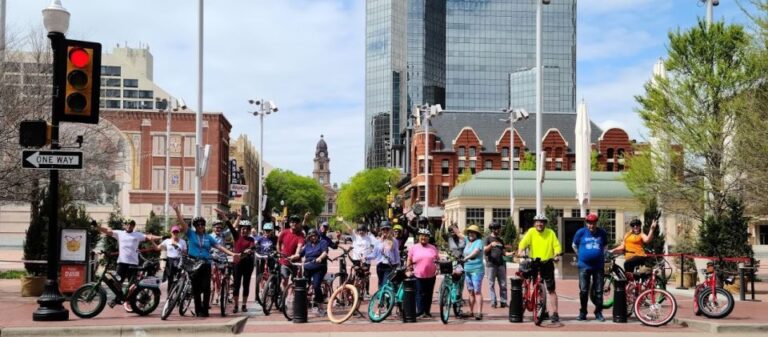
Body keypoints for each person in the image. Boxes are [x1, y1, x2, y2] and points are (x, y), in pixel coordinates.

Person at [172, 204, 239, 317]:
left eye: (202, 224)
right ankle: (199, 310)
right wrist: (177, 211)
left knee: (206, 287)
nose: (200, 226)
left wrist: (232, 253)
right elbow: (182, 222)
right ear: (195, 226)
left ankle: (205, 310)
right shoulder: (191, 234)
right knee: (196, 288)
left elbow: (219, 246)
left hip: (206, 263)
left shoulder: (208, 237)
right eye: (198, 224)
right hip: (193, 263)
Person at [94, 219, 162, 312]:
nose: (129, 226)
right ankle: (119, 298)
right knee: (117, 282)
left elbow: (149, 237)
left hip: (133, 264)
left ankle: (126, 300)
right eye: (127, 224)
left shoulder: (137, 235)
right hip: (121, 263)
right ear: (124, 225)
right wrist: (97, 226)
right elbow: (107, 231)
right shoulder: (119, 233)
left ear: (133, 226)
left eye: (131, 224)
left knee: (132, 285)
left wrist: (161, 237)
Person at [517, 213, 562, 323]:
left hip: (547, 263)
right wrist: (520, 252)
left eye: (542, 222)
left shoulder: (550, 233)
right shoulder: (531, 232)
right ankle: (542, 310)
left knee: (551, 290)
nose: (539, 224)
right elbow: (523, 244)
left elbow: (557, 246)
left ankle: (555, 313)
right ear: (534, 223)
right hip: (535, 263)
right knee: (536, 287)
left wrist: (556, 255)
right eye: (537, 222)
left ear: (545, 223)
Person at [572, 213, 608, 322]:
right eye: (589, 223)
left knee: (598, 291)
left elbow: (605, 246)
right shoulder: (581, 232)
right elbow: (574, 245)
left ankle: (598, 312)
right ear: (586, 223)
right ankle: (583, 312)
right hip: (584, 266)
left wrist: (602, 255)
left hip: (598, 266)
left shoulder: (602, 233)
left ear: (596, 223)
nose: (591, 225)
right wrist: (581, 255)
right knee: (583, 290)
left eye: (593, 223)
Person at [406, 227, 439, 318]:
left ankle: (427, 311)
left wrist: (438, 268)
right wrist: (408, 269)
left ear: (428, 238)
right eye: (421, 236)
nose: (423, 238)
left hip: (431, 275)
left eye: (425, 236)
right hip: (418, 275)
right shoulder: (413, 248)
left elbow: (437, 259)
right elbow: (409, 259)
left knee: (429, 294)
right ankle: (420, 311)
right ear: (418, 237)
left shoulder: (433, 248)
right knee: (419, 293)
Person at [297, 228, 329, 312]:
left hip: (319, 267)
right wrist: (291, 257)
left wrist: (320, 258)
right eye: (311, 236)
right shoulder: (307, 245)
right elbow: (300, 254)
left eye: (314, 236)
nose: (313, 238)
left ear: (317, 236)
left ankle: (320, 306)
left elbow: (325, 252)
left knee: (316, 286)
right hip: (308, 267)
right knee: (303, 285)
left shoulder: (323, 243)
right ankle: (304, 303)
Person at [458, 224, 485, 320]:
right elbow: (459, 234)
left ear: (477, 234)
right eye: (470, 232)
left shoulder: (479, 242)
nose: (471, 234)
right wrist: (452, 225)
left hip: (477, 270)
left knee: (477, 291)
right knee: (470, 291)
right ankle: (470, 311)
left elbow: (476, 252)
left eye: (473, 232)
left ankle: (479, 312)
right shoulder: (467, 240)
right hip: (467, 270)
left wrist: (466, 258)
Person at [230, 218, 256, 313]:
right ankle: (236, 305)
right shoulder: (236, 236)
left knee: (246, 284)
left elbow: (252, 247)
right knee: (236, 285)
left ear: (249, 230)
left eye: (246, 228)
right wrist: (236, 218)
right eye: (242, 228)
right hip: (237, 263)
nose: (243, 230)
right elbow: (231, 227)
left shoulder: (251, 239)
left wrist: (249, 250)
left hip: (248, 264)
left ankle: (244, 305)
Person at [277, 215, 306, 290]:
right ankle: (284, 297)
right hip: (284, 261)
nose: (294, 224)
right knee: (284, 280)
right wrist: (279, 252)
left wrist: (296, 255)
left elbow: (299, 246)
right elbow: (278, 242)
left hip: (295, 262)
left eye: (296, 222)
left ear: (299, 224)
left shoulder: (301, 235)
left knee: (295, 282)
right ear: (289, 223)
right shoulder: (284, 232)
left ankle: (293, 298)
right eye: (292, 222)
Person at [484, 221, 507, 309]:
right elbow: (485, 250)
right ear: (492, 229)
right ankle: (493, 301)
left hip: (501, 264)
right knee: (491, 284)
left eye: (498, 228)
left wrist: (511, 253)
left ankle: (503, 301)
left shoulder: (500, 240)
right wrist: (491, 245)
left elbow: (504, 253)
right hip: (491, 264)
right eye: (495, 228)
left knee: (503, 284)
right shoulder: (488, 239)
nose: (497, 230)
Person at [157, 226, 187, 293]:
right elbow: (157, 248)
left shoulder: (183, 242)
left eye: (176, 232)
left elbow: (185, 253)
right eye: (174, 232)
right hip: (170, 261)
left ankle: (178, 297)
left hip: (179, 261)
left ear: (179, 233)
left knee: (179, 280)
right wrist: (152, 241)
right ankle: (169, 298)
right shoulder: (167, 241)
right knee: (170, 280)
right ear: (171, 233)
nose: (175, 233)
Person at [373, 221, 400, 287]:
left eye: (387, 229)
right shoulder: (377, 241)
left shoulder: (394, 241)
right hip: (380, 266)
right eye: (383, 229)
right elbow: (374, 254)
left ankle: (385, 297)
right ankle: (379, 297)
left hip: (389, 266)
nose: (385, 231)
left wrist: (398, 264)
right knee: (380, 283)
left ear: (390, 230)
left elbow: (396, 253)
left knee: (385, 283)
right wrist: (365, 257)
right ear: (381, 230)